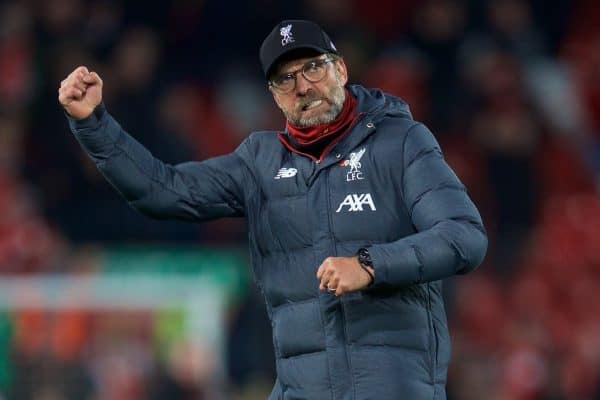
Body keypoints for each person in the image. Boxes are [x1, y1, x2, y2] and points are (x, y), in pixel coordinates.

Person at [58, 19, 487, 400]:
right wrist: (93, 124)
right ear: (275, 97)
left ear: (340, 69)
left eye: (313, 68)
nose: (303, 87)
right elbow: (162, 189)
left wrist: (370, 264)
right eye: (285, 80)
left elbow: (464, 237)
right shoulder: (258, 163)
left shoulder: (401, 142)